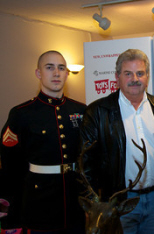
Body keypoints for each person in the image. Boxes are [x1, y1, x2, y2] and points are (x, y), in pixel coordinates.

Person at [79, 49, 154, 234]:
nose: (135, 78)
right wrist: (92, 205)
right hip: (117, 203)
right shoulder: (97, 112)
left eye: (140, 73)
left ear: (147, 76)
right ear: (117, 77)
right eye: (128, 73)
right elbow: (85, 163)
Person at [0, 50, 86, 233]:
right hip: (39, 201)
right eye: (50, 67)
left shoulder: (81, 110)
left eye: (61, 68)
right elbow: (11, 166)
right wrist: (11, 208)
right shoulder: (22, 113)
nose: (56, 73)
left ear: (67, 74)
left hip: (75, 201)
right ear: (38, 73)